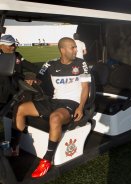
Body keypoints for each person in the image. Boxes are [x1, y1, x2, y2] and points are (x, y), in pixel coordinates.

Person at [10, 37, 91, 178]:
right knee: (20, 108)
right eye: (72, 47)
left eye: (75, 47)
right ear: (62, 50)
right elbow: (39, 79)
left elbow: (85, 88)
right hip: (54, 101)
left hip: (71, 103)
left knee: (55, 118)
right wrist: (33, 80)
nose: (76, 50)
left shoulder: (81, 63)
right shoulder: (50, 64)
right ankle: (14, 147)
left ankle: (47, 159)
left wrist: (80, 107)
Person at [0, 34, 38, 106]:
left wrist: (31, 76)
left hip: (18, 90)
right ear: (1, 46)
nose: (13, 47)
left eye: (14, 44)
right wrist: (15, 94)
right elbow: (5, 80)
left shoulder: (17, 56)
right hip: (5, 94)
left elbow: (33, 67)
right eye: (10, 45)